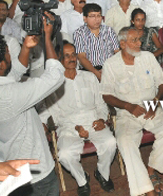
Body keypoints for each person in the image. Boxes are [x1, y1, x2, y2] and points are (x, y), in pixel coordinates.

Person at [0, 15, 66, 195]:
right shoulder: (10, 95)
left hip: (5, 164)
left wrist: (26, 48)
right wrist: (47, 40)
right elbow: (56, 76)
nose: (9, 54)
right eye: (7, 52)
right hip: (36, 172)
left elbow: (10, 74)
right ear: (1, 63)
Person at [101, 27, 163, 196]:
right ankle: (146, 189)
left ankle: (151, 170)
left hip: (151, 107)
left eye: (139, 39)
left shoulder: (148, 57)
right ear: (122, 44)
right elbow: (106, 95)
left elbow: (162, 83)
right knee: (125, 141)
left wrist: (156, 100)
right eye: (134, 40)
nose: (139, 43)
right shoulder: (111, 65)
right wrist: (128, 106)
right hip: (126, 113)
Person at [40, 42, 116, 195]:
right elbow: (55, 115)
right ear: (59, 59)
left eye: (73, 54)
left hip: (93, 122)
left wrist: (102, 119)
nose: (72, 58)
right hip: (69, 126)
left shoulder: (89, 77)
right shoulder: (54, 84)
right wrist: (76, 128)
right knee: (65, 155)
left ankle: (102, 173)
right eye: (66, 56)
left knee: (111, 142)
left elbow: (100, 104)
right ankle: (82, 180)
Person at [74, 3, 119, 81]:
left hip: (109, 71)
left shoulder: (109, 31)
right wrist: (96, 73)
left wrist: (109, 71)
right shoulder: (79, 33)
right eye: (92, 16)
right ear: (85, 18)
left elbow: (117, 53)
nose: (97, 19)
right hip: (89, 72)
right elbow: (81, 57)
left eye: (99, 16)